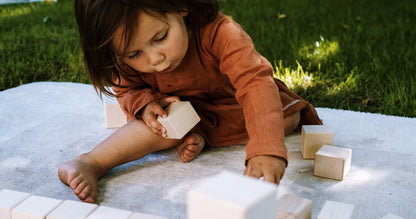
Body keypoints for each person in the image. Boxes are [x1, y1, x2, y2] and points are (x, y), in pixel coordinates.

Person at [58, 0, 322, 203]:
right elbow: (126, 89)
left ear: (180, 6)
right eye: (135, 53)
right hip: (179, 111)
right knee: (162, 126)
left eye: (160, 38)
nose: (154, 59)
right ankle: (91, 161)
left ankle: (203, 132)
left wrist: (266, 147)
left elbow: (255, 84)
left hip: (233, 105)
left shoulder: (222, 34)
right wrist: (145, 105)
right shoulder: (125, 54)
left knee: (288, 117)